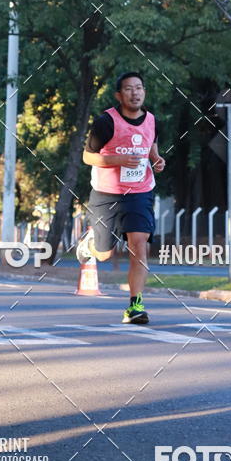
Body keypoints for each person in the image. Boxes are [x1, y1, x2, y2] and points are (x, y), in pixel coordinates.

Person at [77, 71, 165, 324]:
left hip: (140, 191)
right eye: (129, 89)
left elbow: (151, 149)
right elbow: (87, 157)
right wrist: (117, 160)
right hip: (107, 193)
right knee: (104, 254)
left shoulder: (152, 120)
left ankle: (135, 306)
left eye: (139, 88)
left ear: (144, 92)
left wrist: (157, 161)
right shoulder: (106, 122)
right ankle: (90, 243)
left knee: (139, 246)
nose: (135, 93)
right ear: (119, 95)